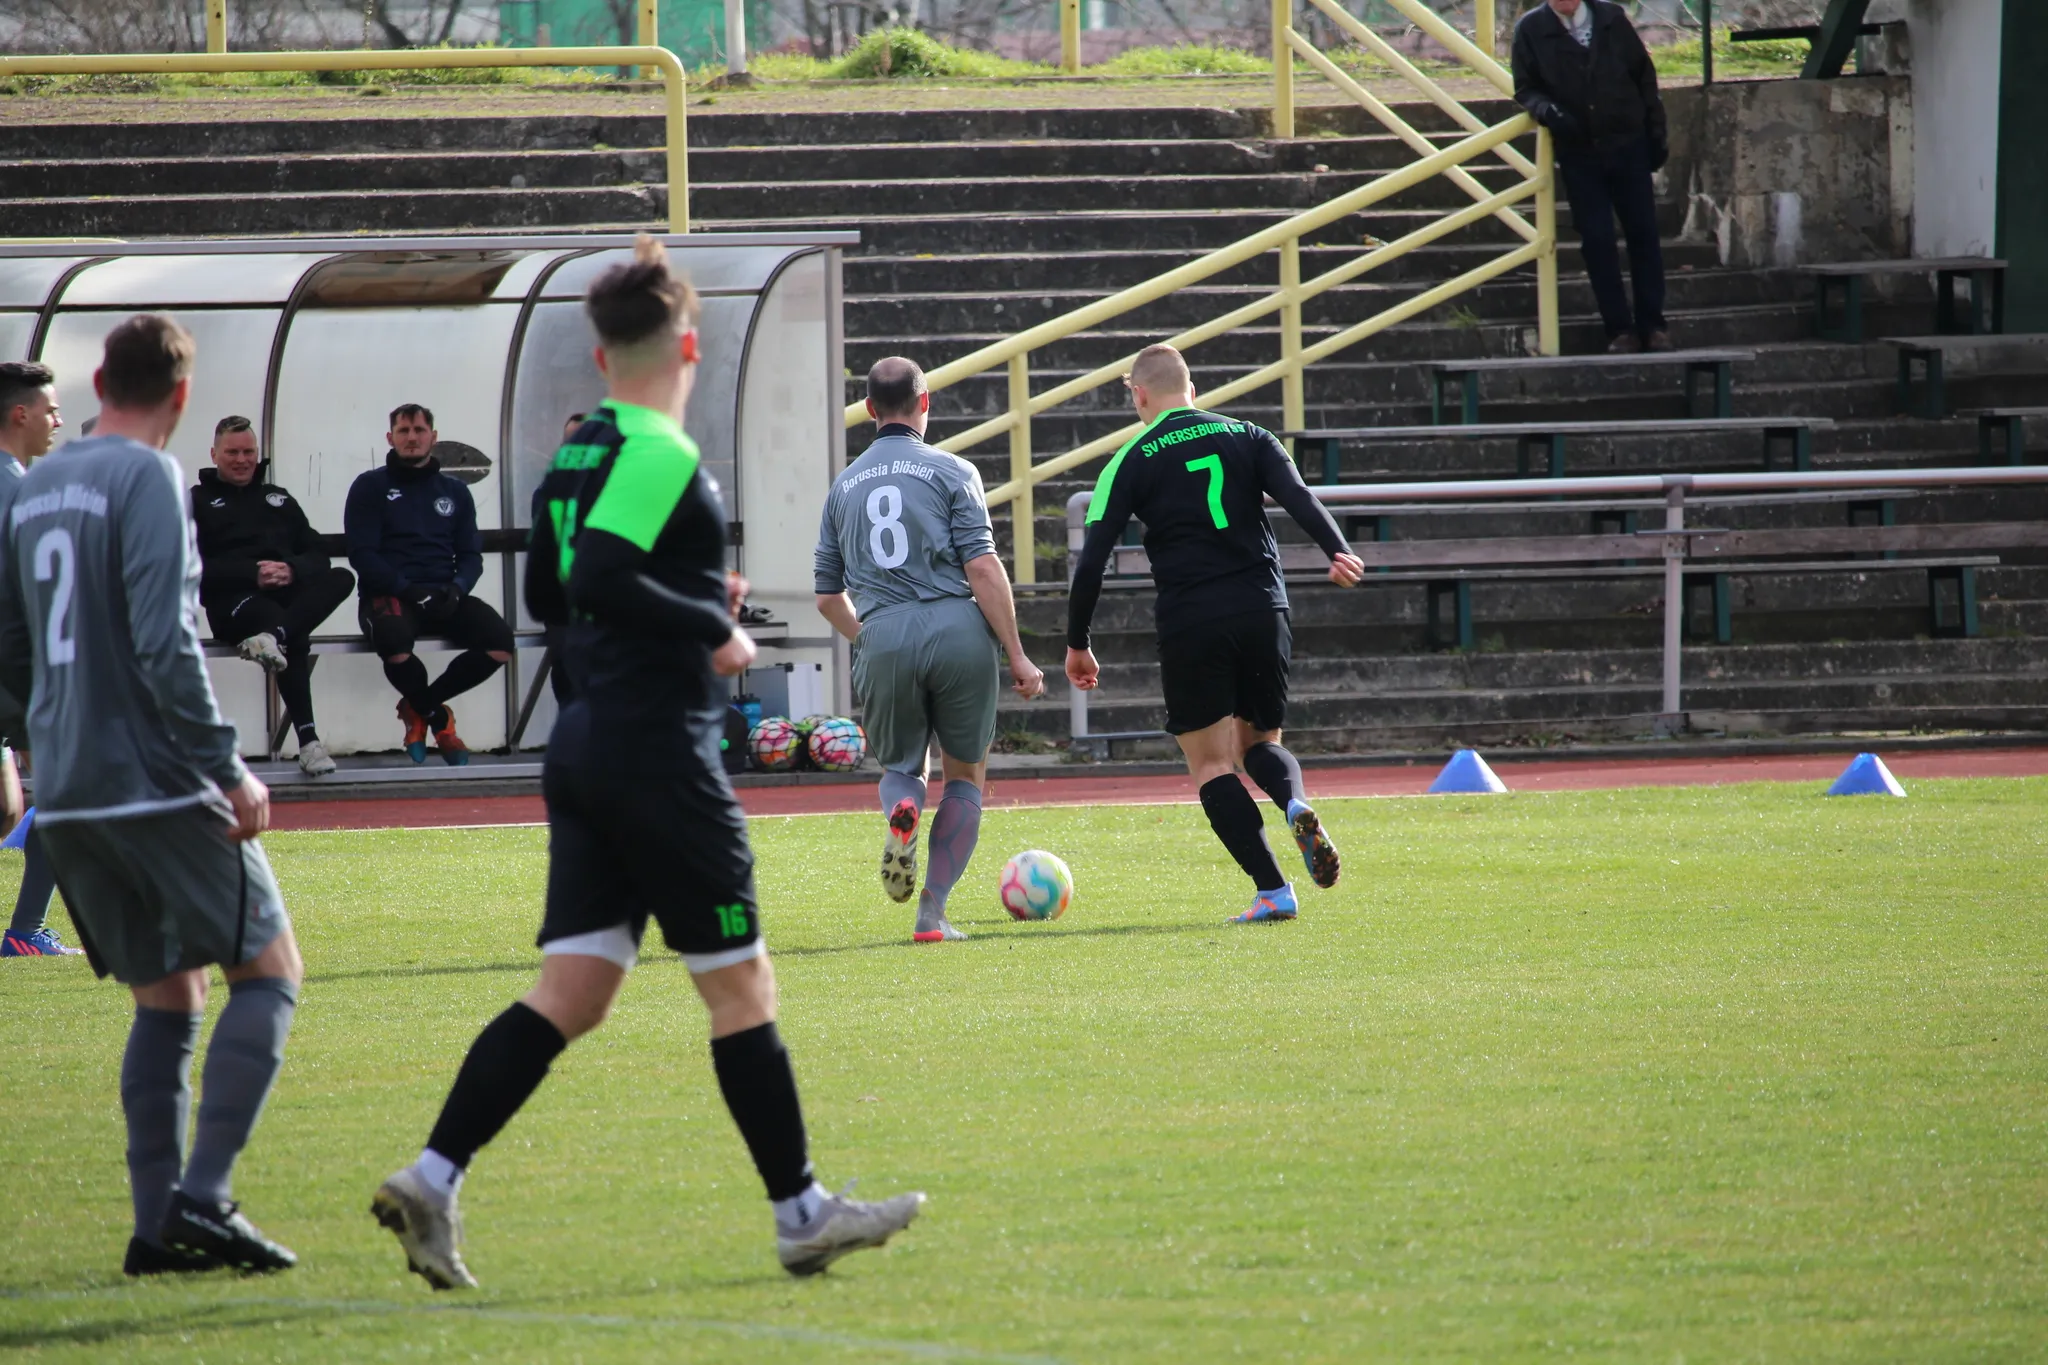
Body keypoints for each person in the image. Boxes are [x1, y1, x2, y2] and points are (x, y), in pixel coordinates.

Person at [371, 236, 923, 1291]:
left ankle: (432, 1177)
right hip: (654, 748)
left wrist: (680, 604)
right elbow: (606, 574)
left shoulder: (576, 456)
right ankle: (801, 1213)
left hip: (584, 744)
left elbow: (550, 594)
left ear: (598, 355)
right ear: (689, 345)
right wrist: (714, 627)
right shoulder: (660, 451)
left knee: (573, 992)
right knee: (741, 984)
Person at [0, 315, 302, 1276]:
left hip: (68, 789)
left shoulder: (36, 487)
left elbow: (11, 639)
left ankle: (153, 1229)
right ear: (181, 396)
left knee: (168, 996)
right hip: (154, 778)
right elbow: (167, 639)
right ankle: (203, 1199)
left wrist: (40, 735)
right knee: (271, 969)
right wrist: (226, 764)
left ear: (98, 383)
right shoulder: (151, 477)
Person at [1065, 344, 1365, 923]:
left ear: (1139, 395)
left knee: (1210, 765)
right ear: (1193, 390)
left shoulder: (1128, 459)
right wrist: (1338, 550)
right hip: (1263, 608)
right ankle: (1294, 802)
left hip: (1193, 619)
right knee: (1260, 742)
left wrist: (1079, 641)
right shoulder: (1250, 435)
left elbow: (1093, 560)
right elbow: (1298, 496)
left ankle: (1273, 890)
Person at [813, 356, 1045, 943]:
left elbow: (827, 597)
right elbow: (982, 567)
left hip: (883, 631)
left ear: (869, 409)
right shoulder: (954, 470)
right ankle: (932, 912)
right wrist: (1017, 654)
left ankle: (904, 811)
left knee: (902, 768)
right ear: (925, 402)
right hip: (957, 630)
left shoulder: (842, 487)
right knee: (964, 776)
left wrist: (871, 639)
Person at [344, 403, 513, 766]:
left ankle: (419, 706)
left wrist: (458, 588)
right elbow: (362, 555)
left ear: (433, 437)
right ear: (390, 438)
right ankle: (439, 720)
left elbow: (471, 555)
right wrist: (409, 590)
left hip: (442, 594)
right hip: (390, 593)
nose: (412, 438)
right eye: (403, 431)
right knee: (393, 643)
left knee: (501, 644)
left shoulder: (455, 491)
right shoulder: (369, 486)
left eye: (419, 430)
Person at [192, 415, 356, 778]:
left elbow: (318, 552)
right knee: (290, 630)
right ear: (214, 455)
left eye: (248, 452)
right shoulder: (196, 502)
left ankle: (272, 637)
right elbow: (190, 564)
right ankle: (309, 743)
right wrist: (252, 574)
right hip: (233, 605)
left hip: (285, 600)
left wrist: (291, 570)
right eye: (232, 452)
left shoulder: (277, 498)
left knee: (342, 578)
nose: (242, 460)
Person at [1512, 0, 1671, 354]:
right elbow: (1525, 88)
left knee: (1643, 233)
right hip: (1579, 151)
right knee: (1598, 240)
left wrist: (1656, 134)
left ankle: (1653, 325)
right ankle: (1620, 329)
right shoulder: (1531, 29)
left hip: (1627, 142)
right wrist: (1549, 111)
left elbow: (1643, 76)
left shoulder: (1610, 17)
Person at [0, 361, 78, 957]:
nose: (58, 420)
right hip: (18, 668)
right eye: (51, 409)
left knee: (11, 808)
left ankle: (25, 931)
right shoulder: (20, 491)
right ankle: (26, 930)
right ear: (20, 413)